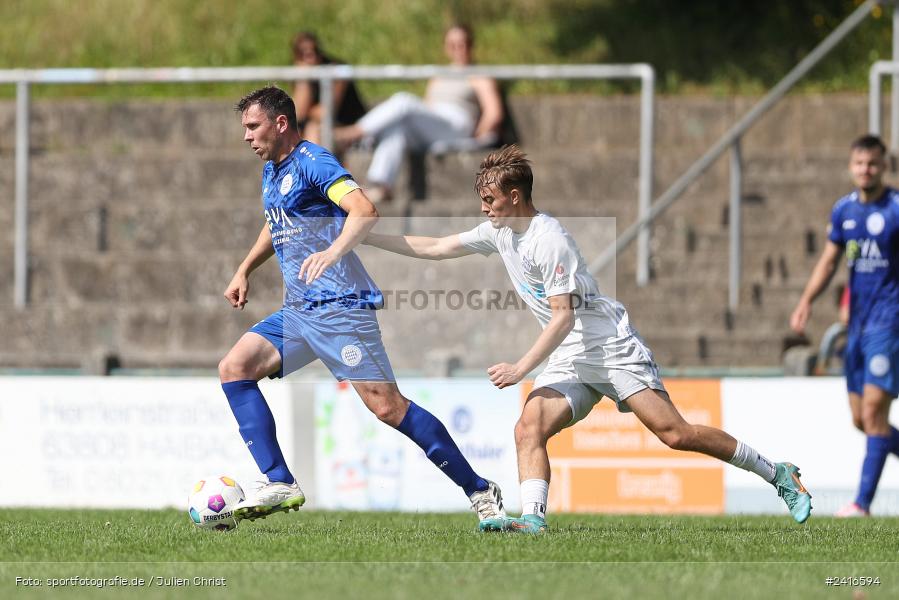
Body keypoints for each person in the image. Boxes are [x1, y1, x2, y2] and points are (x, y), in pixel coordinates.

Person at [364, 145, 813, 532]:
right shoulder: (500, 232)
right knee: (528, 427)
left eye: (489, 199)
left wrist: (521, 368)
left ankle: (778, 473)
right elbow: (437, 247)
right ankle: (533, 521)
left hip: (608, 346)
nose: (484, 208)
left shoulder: (549, 239)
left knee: (675, 434)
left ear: (514, 196)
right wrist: (367, 236)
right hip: (570, 357)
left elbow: (562, 317)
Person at [220, 86, 505, 528]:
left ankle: (480, 490)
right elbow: (276, 221)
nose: (246, 137)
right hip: (299, 311)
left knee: (388, 408)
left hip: (340, 307)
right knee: (235, 367)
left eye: (253, 127)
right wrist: (245, 269)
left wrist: (332, 254)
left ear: (280, 124)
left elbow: (365, 211)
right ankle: (279, 481)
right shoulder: (273, 171)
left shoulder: (314, 161)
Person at [790, 134, 899, 517]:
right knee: (862, 421)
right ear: (851, 166)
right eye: (859, 163)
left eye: (872, 163)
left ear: (884, 166)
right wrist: (806, 301)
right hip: (856, 327)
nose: (865, 170)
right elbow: (829, 261)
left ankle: (861, 504)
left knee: (873, 415)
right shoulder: (844, 211)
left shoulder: (896, 208)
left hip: (889, 325)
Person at [334, 24, 504, 203]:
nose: (458, 49)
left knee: (403, 100)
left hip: (457, 124)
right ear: (446, 47)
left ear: (471, 45)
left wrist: (476, 137)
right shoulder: (439, 76)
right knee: (398, 129)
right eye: (453, 44)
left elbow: (494, 113)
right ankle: (381, 185)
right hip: (434, 122)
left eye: (463, 44)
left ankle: (353, 133)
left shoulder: (479, 75)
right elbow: (426, 107)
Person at [291, 31, 366, 145]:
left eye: (315, 51)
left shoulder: (336, 70)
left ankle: (310, 163)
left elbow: (325, 113)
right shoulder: (300, 76)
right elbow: (298, 115)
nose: (311, 57)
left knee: (313, 128)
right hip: (325, 128)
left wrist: (308, 111)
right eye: (304, 54)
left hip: (349, 125)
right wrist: (303, 80)